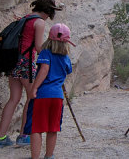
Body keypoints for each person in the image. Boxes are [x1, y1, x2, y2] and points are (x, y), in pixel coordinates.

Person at [0, 0, 62, 148]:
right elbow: (37, 47)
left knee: (13, 99)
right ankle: (24, 135)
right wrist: (52, 52)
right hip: (26, 64)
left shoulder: (25, 18)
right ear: (48, 11)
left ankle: (0, 137)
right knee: (32, 98)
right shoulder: (39, 22)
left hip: (13, 62)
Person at [24, 23, 74, 159]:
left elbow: (44, 70)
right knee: (53, 128)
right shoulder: (66, 57)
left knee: (36, 128)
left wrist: (33, 89)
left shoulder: (46, 53)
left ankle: (35, 157)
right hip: (57, 96)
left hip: (43, 95)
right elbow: (68, 71)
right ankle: (49, 155)